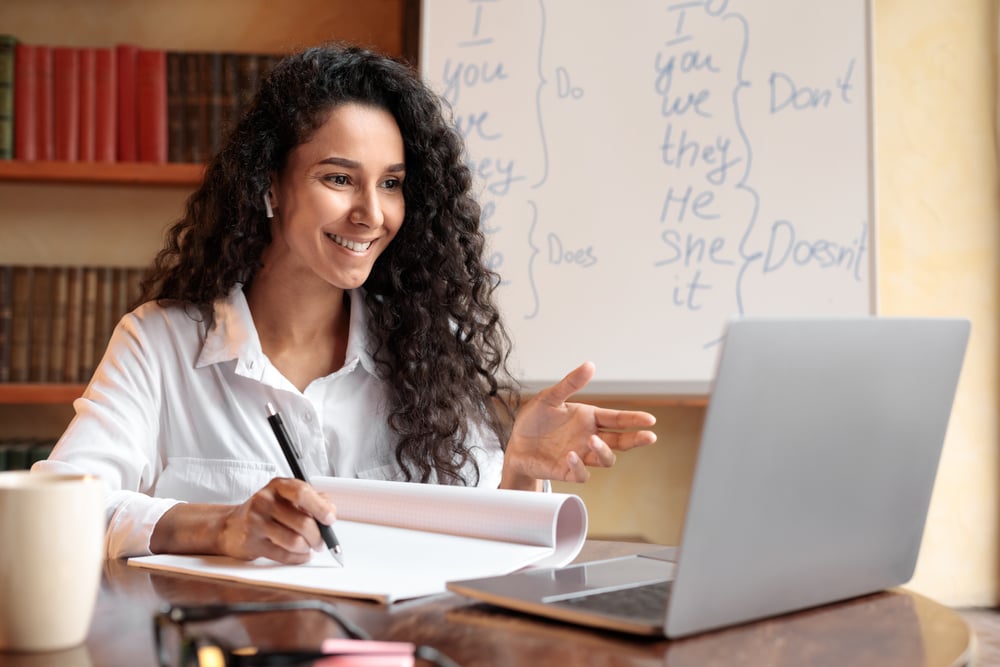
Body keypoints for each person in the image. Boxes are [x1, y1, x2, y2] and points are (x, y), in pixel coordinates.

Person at [35, 44, 656, 563]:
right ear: (270, 186)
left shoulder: (424, 348)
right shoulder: (160, 342)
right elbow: (60, 506)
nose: (372, 213)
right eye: (338, 178)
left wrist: (518, 465)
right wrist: (220, 526)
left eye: (391, 183)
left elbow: (486, 555)